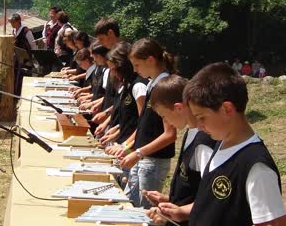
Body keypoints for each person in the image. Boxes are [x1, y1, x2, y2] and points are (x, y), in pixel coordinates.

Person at [157, 63, 286, 226]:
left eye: (202, 117)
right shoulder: (220, 146)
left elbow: (273, 223)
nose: (199, 125)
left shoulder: (256, 165)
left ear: (227, 109)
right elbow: (214, 206)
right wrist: (182, 213)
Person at [144, 75, 216, 226]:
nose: (165, 121)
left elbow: (212, 198)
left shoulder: (203, 144)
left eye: (164, 116)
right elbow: (191, 188)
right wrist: (169, 199)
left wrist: (182, 212)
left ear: (178, 108)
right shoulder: (190, 132)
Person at [117, 38, 177, 208]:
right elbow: (144, 125)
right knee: (129, 204)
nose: (135, 70)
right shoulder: (152, 84)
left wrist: (138, 153)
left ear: (150, 60)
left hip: (153, 162)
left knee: (145, 213)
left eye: (137, 65)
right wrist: (128, 148)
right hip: (142, 158)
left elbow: (170, 134)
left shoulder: (164, 87)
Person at [9, 13, 37, 96]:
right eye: (11, 22)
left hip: (26, 59)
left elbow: (33, 45)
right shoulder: (14, 31)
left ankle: (24, 95)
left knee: (23, 77)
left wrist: (32, 57)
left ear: (19, 21)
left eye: (13, 22)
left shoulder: (26, 31)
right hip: (17, 58)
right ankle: (16, 95)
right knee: (16, 76)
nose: (12, 24)